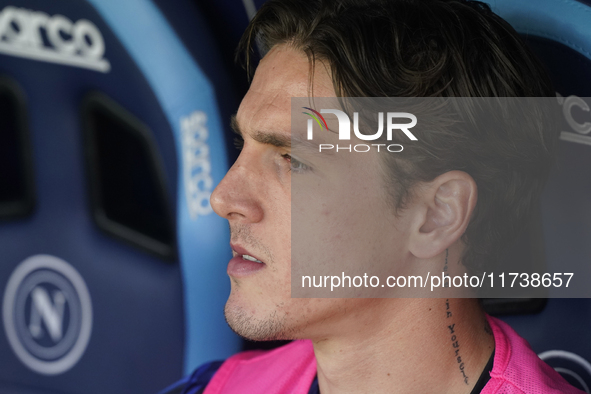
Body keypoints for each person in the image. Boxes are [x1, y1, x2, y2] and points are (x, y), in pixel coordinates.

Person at [160, 0, 584, 393]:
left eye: (293, 159)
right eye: (244, 146)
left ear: (437, 214)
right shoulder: (220, 385)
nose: (223, 197)